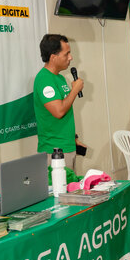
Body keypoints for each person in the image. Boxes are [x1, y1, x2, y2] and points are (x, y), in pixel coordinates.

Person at [33, 34, 84, 169]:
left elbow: (64, 112)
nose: (70, 58)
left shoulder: (59, 78)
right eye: (66, 54)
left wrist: (73, 138)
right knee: (60, 190)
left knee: (71, 189)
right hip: (55, 152)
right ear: (53, 57)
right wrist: (75, 90)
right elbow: (59, 111)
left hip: (67, 146)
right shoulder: (44, 79)